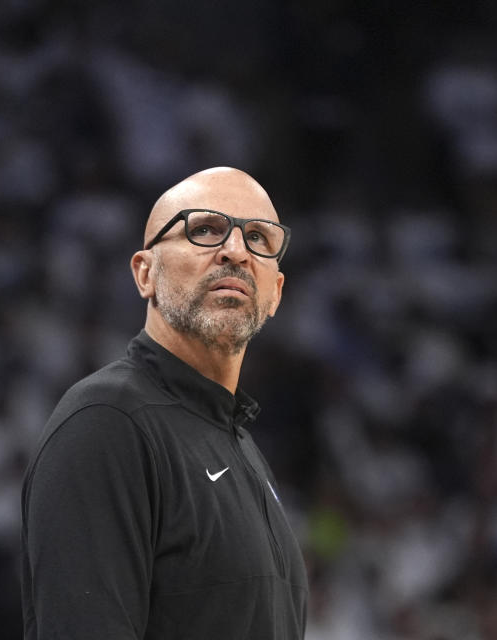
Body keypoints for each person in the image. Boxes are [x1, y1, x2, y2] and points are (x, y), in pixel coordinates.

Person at [21, 167, 308, 639]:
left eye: (258, 237)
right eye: (206, 229)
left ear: (275, 292)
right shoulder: (108, 422)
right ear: (145, 273)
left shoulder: (240, 445)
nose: (235, 251)